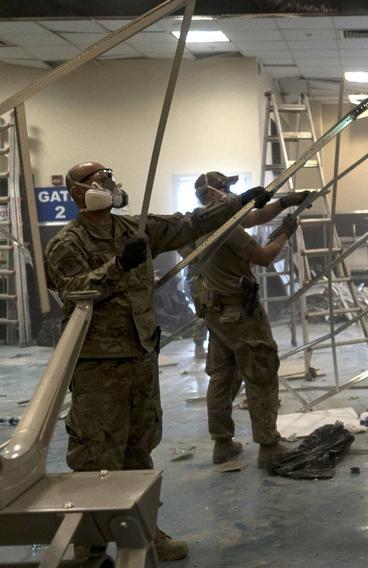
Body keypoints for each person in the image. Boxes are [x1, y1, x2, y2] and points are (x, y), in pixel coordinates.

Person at [45, 161, 270, 561]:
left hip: (141, 358)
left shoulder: (135, 230)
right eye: (98, 180)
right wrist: (119, 266)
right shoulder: (68, 243)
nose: (108, 184)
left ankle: (146, 531)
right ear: (77, 192)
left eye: (110, 177)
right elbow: (73, 289)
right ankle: (89, 547)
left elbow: (189, 223)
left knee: (139, 450)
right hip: (99, 367)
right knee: (97, 455)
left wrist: (238, 204)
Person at [192, 171, 311, 468]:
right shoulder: (225, 228)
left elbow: (252, 218)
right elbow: (263, 256)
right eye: (225, 190)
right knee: (261, 375)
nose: (232, 195)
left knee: (222, 377)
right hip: (241, 315)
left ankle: (222, 444)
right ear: (211, 194)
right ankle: (269, 447)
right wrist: (284, 232)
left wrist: (283, 202)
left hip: (217, 315)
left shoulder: (196, 224)